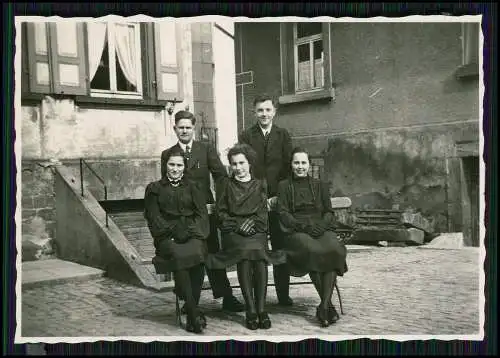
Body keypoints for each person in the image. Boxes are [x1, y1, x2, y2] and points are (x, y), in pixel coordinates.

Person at [161, 110, 244, 313]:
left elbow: (221, 177)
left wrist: (218, 204)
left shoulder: (205, 149)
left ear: (194, 129)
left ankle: (226, 296)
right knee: (187, 254)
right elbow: (165, 185)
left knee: (213, 253)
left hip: (206, 212)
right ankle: (189, 301)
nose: (184, 131)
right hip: (182, 215)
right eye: (181, 127)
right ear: (175, 129)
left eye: (188, 127)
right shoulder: (168, 154)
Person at [206, 144, 287, 330]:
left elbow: (262, 213)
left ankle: (261, 309)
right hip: (233, 233)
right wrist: (237, 225)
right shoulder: (225, 184)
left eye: (242, 163)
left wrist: (253, 225)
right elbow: (221, 213)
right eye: (234, 164)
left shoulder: (260, 184)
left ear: (249, 163)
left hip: (256, 231)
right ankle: (250, 310)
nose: (238, 167)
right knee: (245, 252)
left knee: (257, 253)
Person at [276, 147, 348, 327]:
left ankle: (323, 305)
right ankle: (327, 306)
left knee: (333, 248)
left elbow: (329, 212)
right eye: (296, 163)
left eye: (303, 163)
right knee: (312, 250)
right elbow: (283, 213)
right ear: (291, 165)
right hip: (297, 232)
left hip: (320, 229)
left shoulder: (320, 185)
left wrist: (322, 226)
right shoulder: (284, 186)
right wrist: (303, 227)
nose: (300, 166)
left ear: (309, 165)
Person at [144, 148, 209, 333]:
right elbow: (153, 216)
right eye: (171, 164)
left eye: (179, 165)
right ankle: (193, 313)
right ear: (165, 166)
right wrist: (170, 232)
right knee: (178, 256)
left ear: (184, 167)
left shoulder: (193, 187)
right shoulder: (154, 189)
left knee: (198, 256)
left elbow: (201, 214)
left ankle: (190, 308)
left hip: (192, 234)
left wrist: (192, 232)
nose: (175, 168)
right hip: (167, 237)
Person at [238, 95, 294, 306]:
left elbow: (288, 168)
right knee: (256, 247)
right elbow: (244, 169)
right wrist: (259, 198)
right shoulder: (246, 136)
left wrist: (278, 197)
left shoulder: (283, 135)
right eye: (260, 110)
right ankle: (255, 297)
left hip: (277, 201)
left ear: (274, 112)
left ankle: (282, 294)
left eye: (268, 110)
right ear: (254, 113)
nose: (264, 114)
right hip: (254, 202)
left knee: (280, 246)